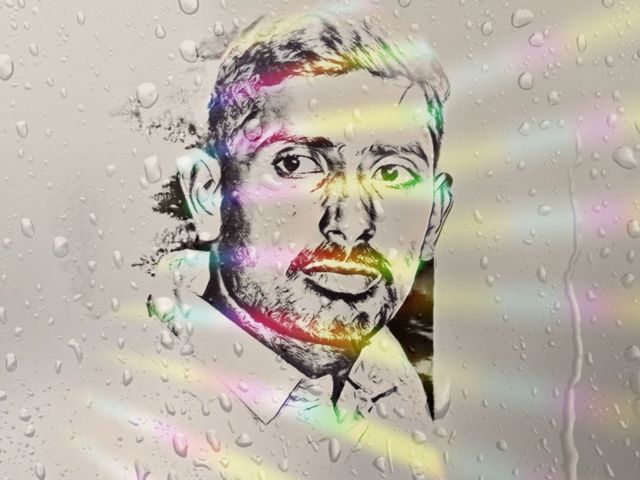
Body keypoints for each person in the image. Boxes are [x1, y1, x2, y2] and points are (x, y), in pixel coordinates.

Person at [145, 11, 453, 478]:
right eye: (296, 164)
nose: (351, 225)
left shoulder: (394, 382)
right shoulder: (127, 404)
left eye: (393, 173)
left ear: (434, 217)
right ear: (209, 194)